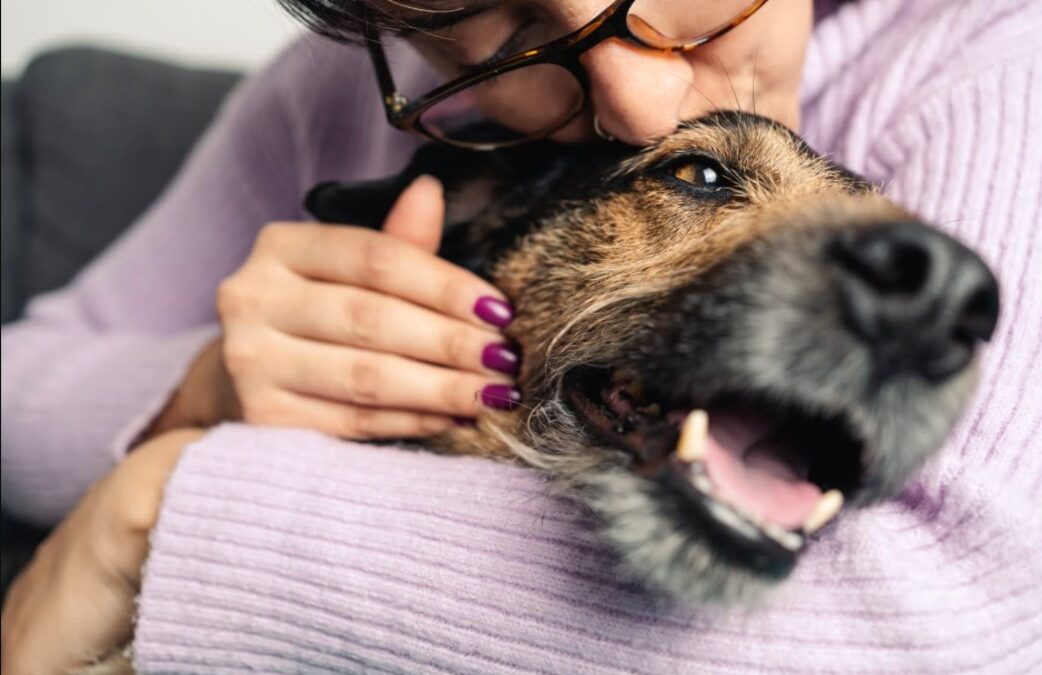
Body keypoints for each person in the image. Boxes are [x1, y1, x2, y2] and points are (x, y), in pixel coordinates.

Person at [2, 0, 1040, 671]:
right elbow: (23, 382)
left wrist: (165, 511)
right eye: (507, 36)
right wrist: (208, 389)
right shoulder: (362, 102)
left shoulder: (994, 55)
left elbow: (952, 612)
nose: (639, 106)